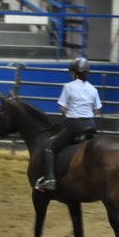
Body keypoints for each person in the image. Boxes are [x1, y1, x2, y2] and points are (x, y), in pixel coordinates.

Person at [35, 57, 102, 191]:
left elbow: (62, 108)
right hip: (91, 125)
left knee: (50, 148)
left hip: (75, 126)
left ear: (75, 73)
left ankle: (50, 179)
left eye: (72, 72)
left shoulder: (68, 87)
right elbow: (97, 110)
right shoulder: (93, 89)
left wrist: (68, 114)